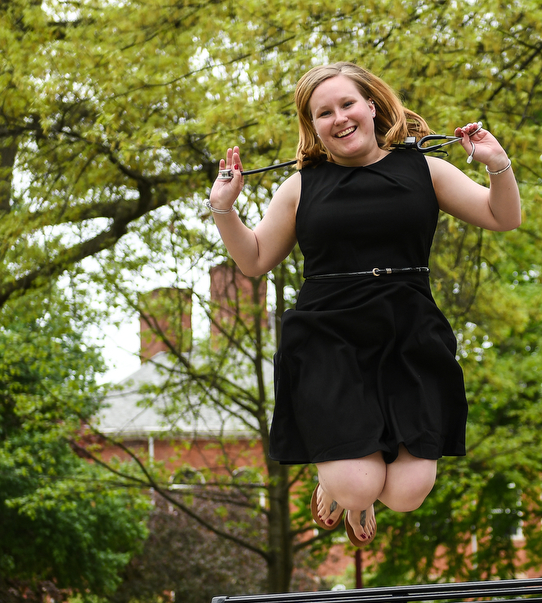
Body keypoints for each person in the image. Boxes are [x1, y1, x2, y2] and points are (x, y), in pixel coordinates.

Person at [208, 62, 521, 546]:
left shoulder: (425, 169)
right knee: (359, 487)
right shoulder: (300, 187)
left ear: (371, 107)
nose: (339, 118)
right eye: (323, 113)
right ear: (313, 127)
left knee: (407, 495)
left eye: (347, 104)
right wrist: (224, 209)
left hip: (408, 333)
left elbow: (503, 216)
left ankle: (352, 484)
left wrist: (497, 163)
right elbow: (253, 259)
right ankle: (342, 487)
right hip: (328, 339)